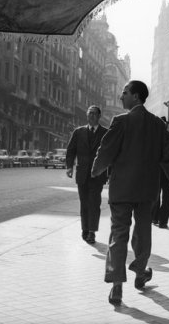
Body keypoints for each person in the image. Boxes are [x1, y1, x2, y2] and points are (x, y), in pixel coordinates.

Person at [91, 80, 169, 306]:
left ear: (135, 96)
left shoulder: (121, 121)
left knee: (118, 234)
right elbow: (168, 159)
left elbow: (106, 150)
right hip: (146, 191)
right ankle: (140, 273)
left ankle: (116, 287)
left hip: (121, 189)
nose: (120, 97)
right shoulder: (157, 125)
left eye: (124, 93)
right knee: (143, 233)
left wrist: (95, 170)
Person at [65, 105, 107, 245]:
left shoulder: (105, 133)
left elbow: (109, 154)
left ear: (99, 116)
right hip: (82, 174)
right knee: (84, 204)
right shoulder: (79, 132)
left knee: (94, 203)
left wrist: (108, 171)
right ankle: (85, 228)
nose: (91, 116)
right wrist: (69, 167)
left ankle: (92, 232)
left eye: (94, 114)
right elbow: (71, 150)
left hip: (97, 175)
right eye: (89, 114)